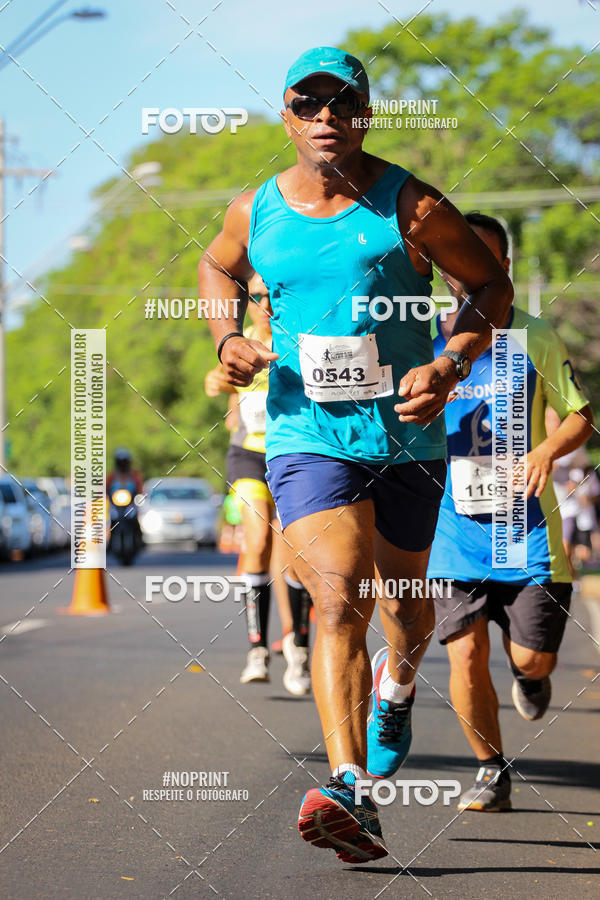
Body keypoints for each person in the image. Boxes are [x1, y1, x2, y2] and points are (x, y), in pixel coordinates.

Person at [199, 46, 513, 863]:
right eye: (309, 106)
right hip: (307, 432)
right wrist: (227, 335)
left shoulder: (410, 204)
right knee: (339, 597)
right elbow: (214, 266)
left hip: (406, 435)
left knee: (405, 607)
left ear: (366, 113)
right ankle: (350, 788)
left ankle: (397, 688)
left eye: (342, 104)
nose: (326, 119)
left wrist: (448, 362)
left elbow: (489, 288)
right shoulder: (256, 210)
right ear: (288, 116)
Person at [428, 212, 593, 811]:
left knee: (529, 656)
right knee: (465, 652)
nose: (465, 269)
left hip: (528, 535)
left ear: (502, 266)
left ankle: (531, 676)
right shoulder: (425, 340)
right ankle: (490, 772)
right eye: (456, 259)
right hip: (453, 532)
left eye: (483, 257)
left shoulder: (535, 336)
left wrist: (548, 449)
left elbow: (581, 414)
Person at [204, 275, 312, 695]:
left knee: (294, 555)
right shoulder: (240, 340)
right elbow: (218, 377)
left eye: (272, 295)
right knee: (257, 543)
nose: (265, 304)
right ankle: (257, 651)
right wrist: (215, 382)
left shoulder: (297, 337)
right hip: (248, 454)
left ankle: (299, 650)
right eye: (256, 297)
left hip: (295, 454)